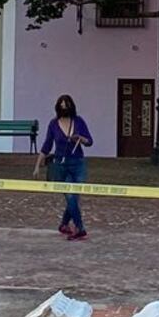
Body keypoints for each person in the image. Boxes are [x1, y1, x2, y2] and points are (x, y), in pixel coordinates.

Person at [39, 93, 93, 240]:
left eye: (66, 104)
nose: (64, 107)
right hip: (61, 165)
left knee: (74, 196)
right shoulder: (53, 124)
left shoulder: (79, 121)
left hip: (78, 163)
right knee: (70, 196)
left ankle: (64, 224)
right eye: (61, 104)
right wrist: (38, 164)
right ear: (58, 107)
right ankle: (79, 227)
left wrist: (80, 139)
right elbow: (47, 145)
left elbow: (89, 141)